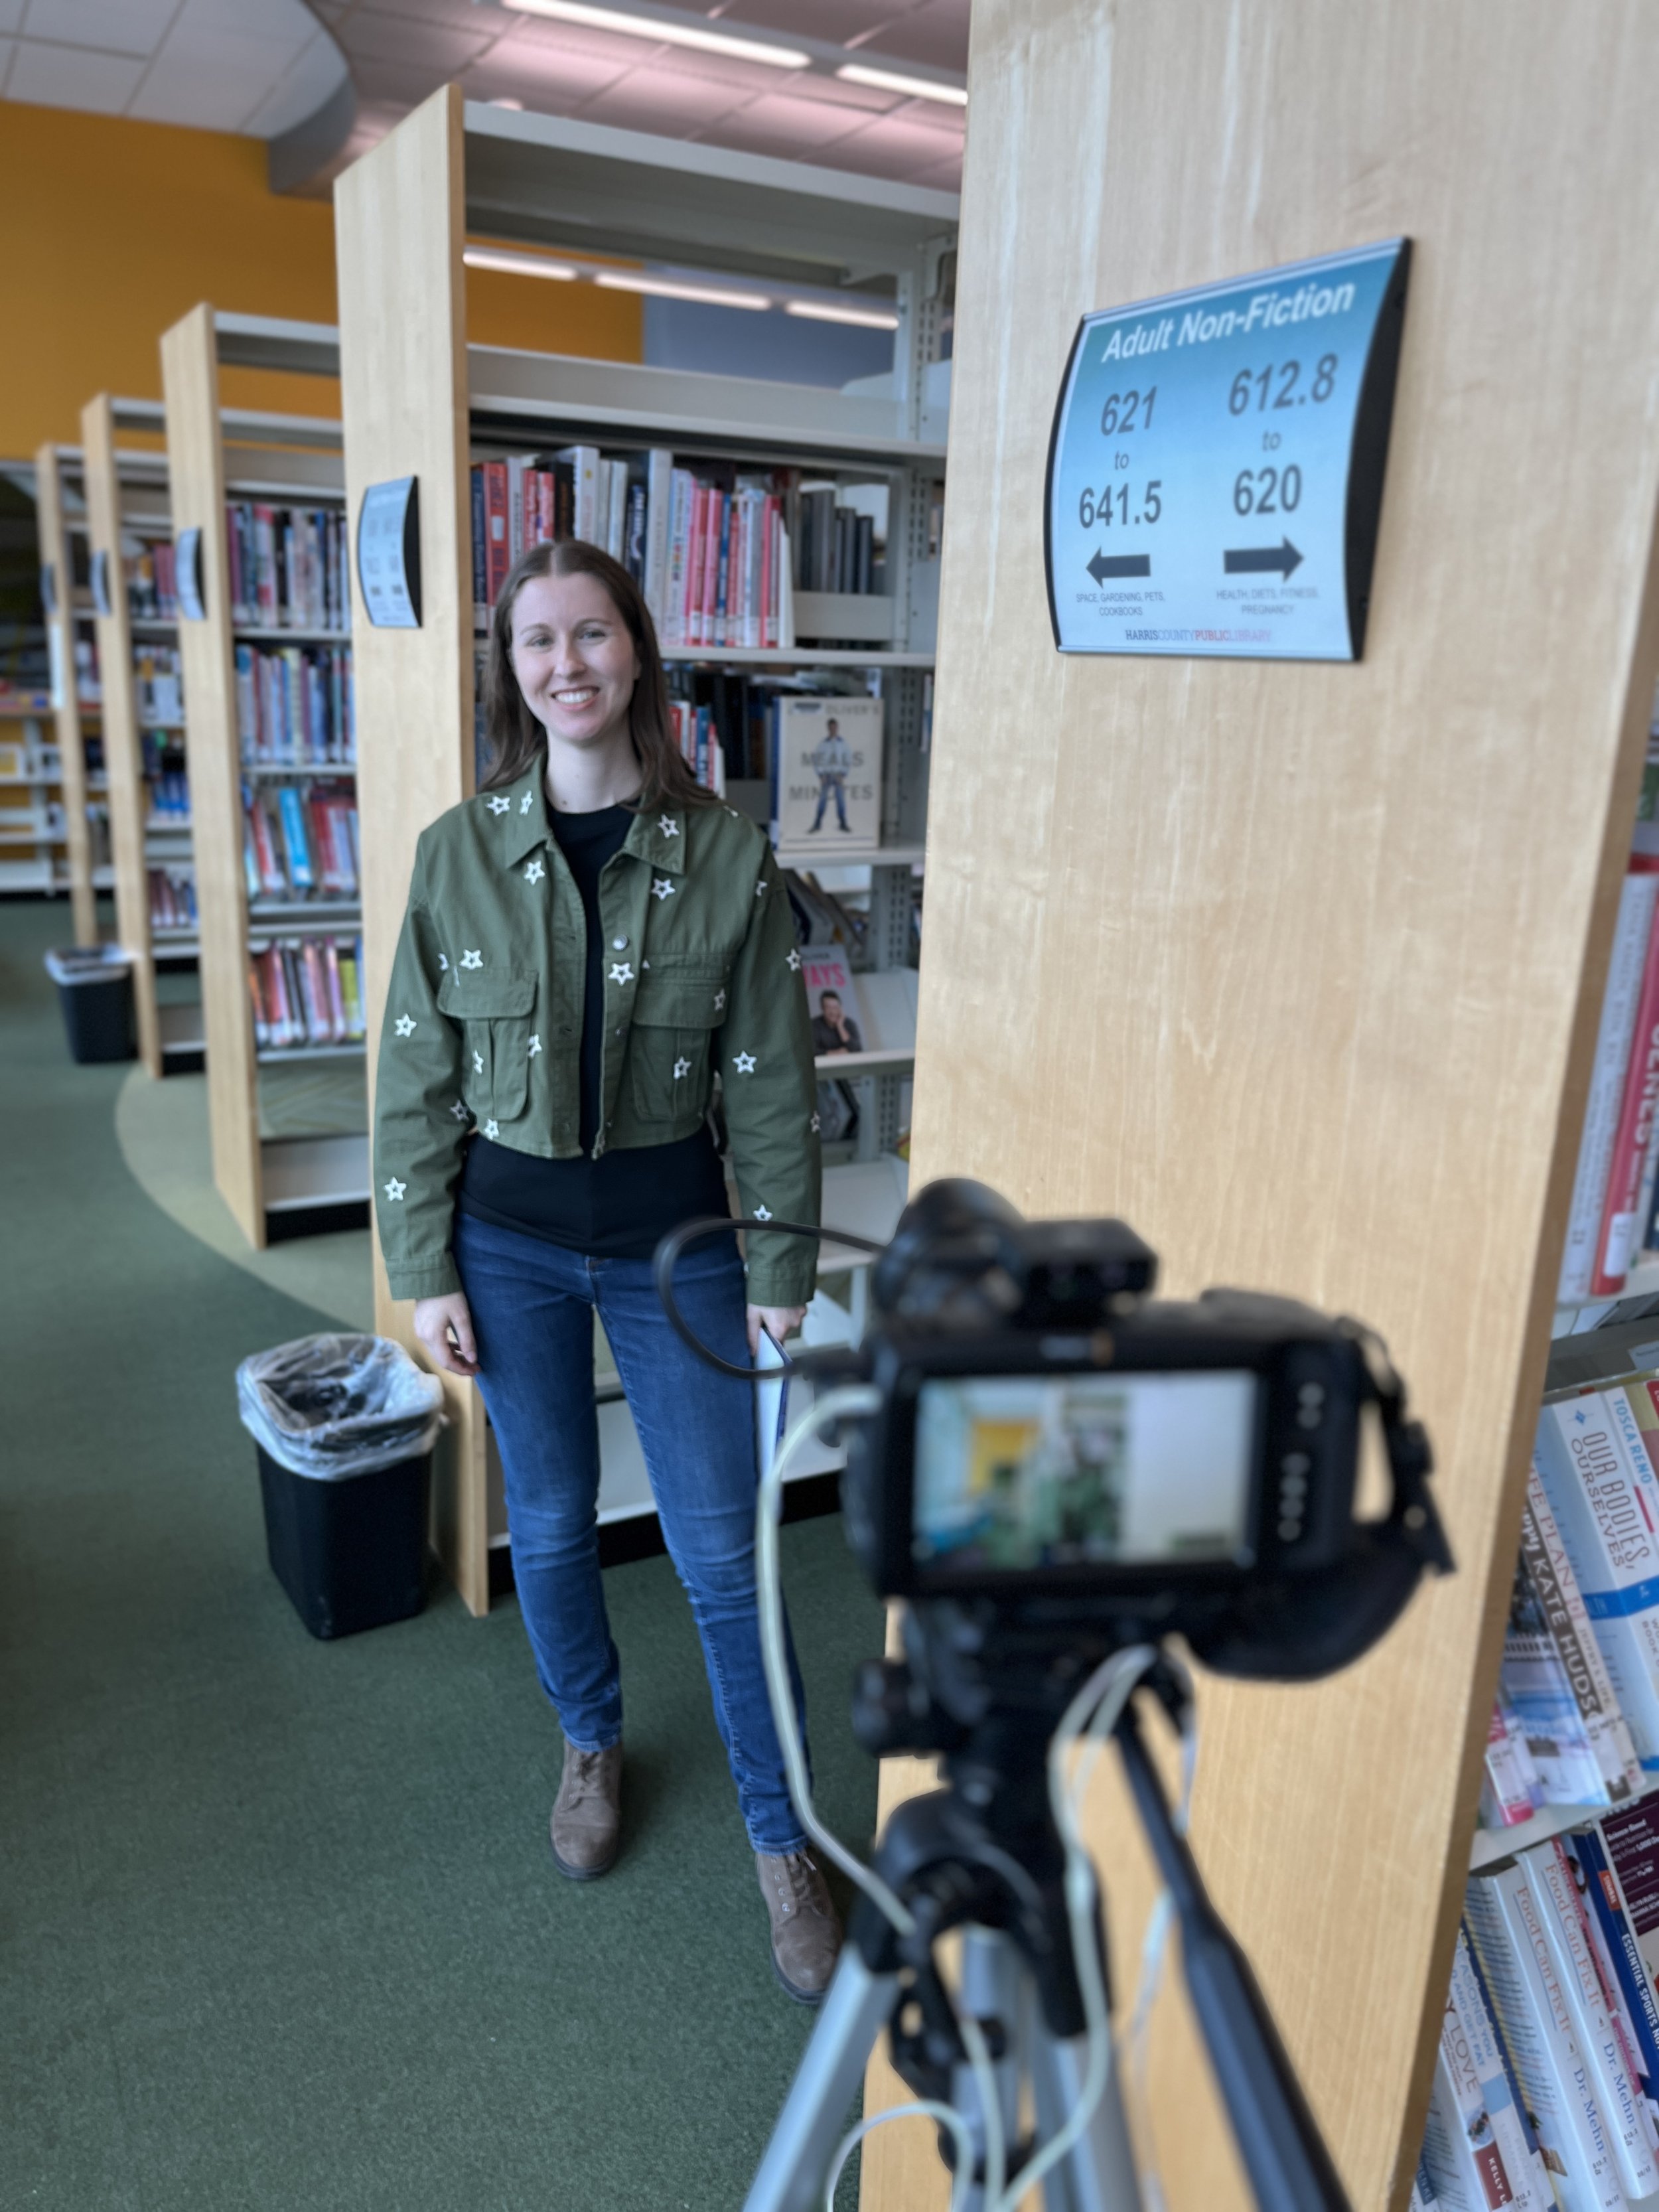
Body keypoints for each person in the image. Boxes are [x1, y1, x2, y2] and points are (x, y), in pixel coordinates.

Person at [371, 537, 841, 2004]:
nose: (564, 663)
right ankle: (591, 1738)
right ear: (509, 671)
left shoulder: (729, 856)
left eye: (589, 634)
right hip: (503, 1249)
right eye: (534, 642)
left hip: (673, 1249)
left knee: (718, 1557)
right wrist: (418, 1260)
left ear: (636, 651)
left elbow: (767, 1079)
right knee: (555, 1528)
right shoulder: (459, 850)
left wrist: (779, 1260)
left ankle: (784, 1837)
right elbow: (412, 1073)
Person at [807, 716, 852, 832]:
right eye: (831, 727)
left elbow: (847, 759)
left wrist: (843, 774)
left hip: (838, 775)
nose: (833, 729)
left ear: (837, 728)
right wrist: (821, 775)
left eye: (835, 727)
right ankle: (817, 824)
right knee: (822, 800)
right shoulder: (823, 744)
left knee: (841, 800)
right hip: (826, 775)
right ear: (828, 728)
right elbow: (817, 760)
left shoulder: (843, 744)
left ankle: (843, 823)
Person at [810, 988, 863, 1057]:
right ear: (822, 1008)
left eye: (835, 1007)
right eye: (828, 1008)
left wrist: (840, 1026)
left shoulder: (850, 1023)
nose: (832, 1012)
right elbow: (810, 1051)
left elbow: (858, 1049)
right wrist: (835, 1053)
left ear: (840, 1008)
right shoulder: (814, 1024)